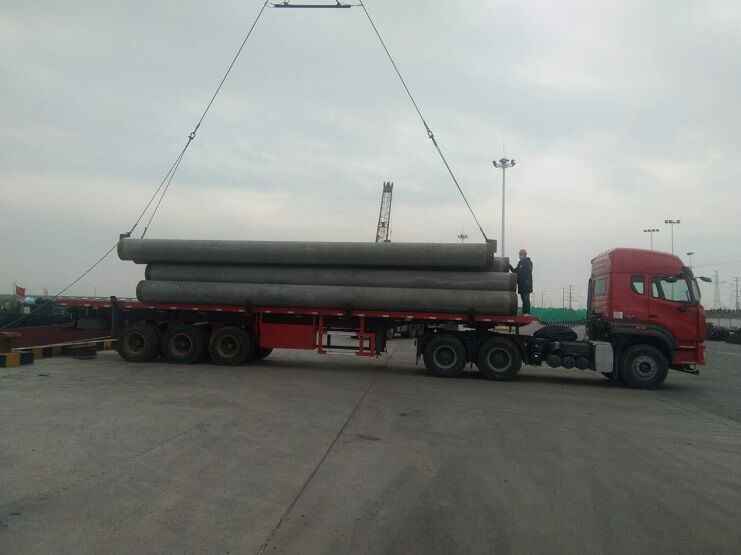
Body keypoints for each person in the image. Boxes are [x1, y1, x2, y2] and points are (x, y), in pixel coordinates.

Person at [508, 248, 533, 315]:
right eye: (520, 255)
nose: (521, 256)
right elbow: (515, 271)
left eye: (522, 255)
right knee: (523, 299)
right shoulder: (520, 263)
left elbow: (527, 273)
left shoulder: (529, 263)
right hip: (521, 284)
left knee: (526, 298)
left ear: (525, 255)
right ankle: (524, 312)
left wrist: (524, 279)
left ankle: (527, 312)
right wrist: (509, 266)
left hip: (526, 284)